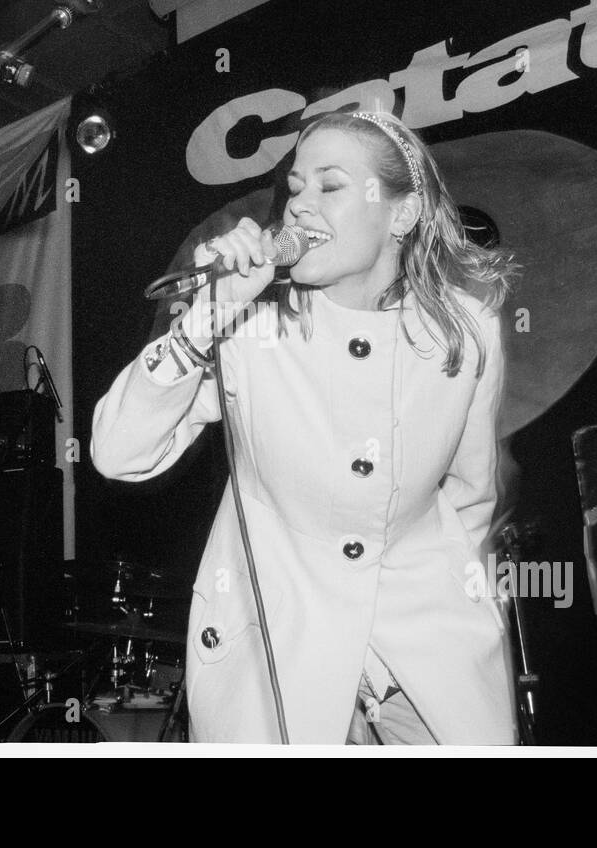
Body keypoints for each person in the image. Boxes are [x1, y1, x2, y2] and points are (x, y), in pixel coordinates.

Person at [91, 110, 520, 744]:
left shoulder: (466, 329)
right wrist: (205, 320)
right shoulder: (248, 327)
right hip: (279, 654)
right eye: (295, 188)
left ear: (401, 214)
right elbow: (118, 453)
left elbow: (470, 493)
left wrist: (459, 596)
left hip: (430, 649)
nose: (300, 206)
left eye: (330, 185)